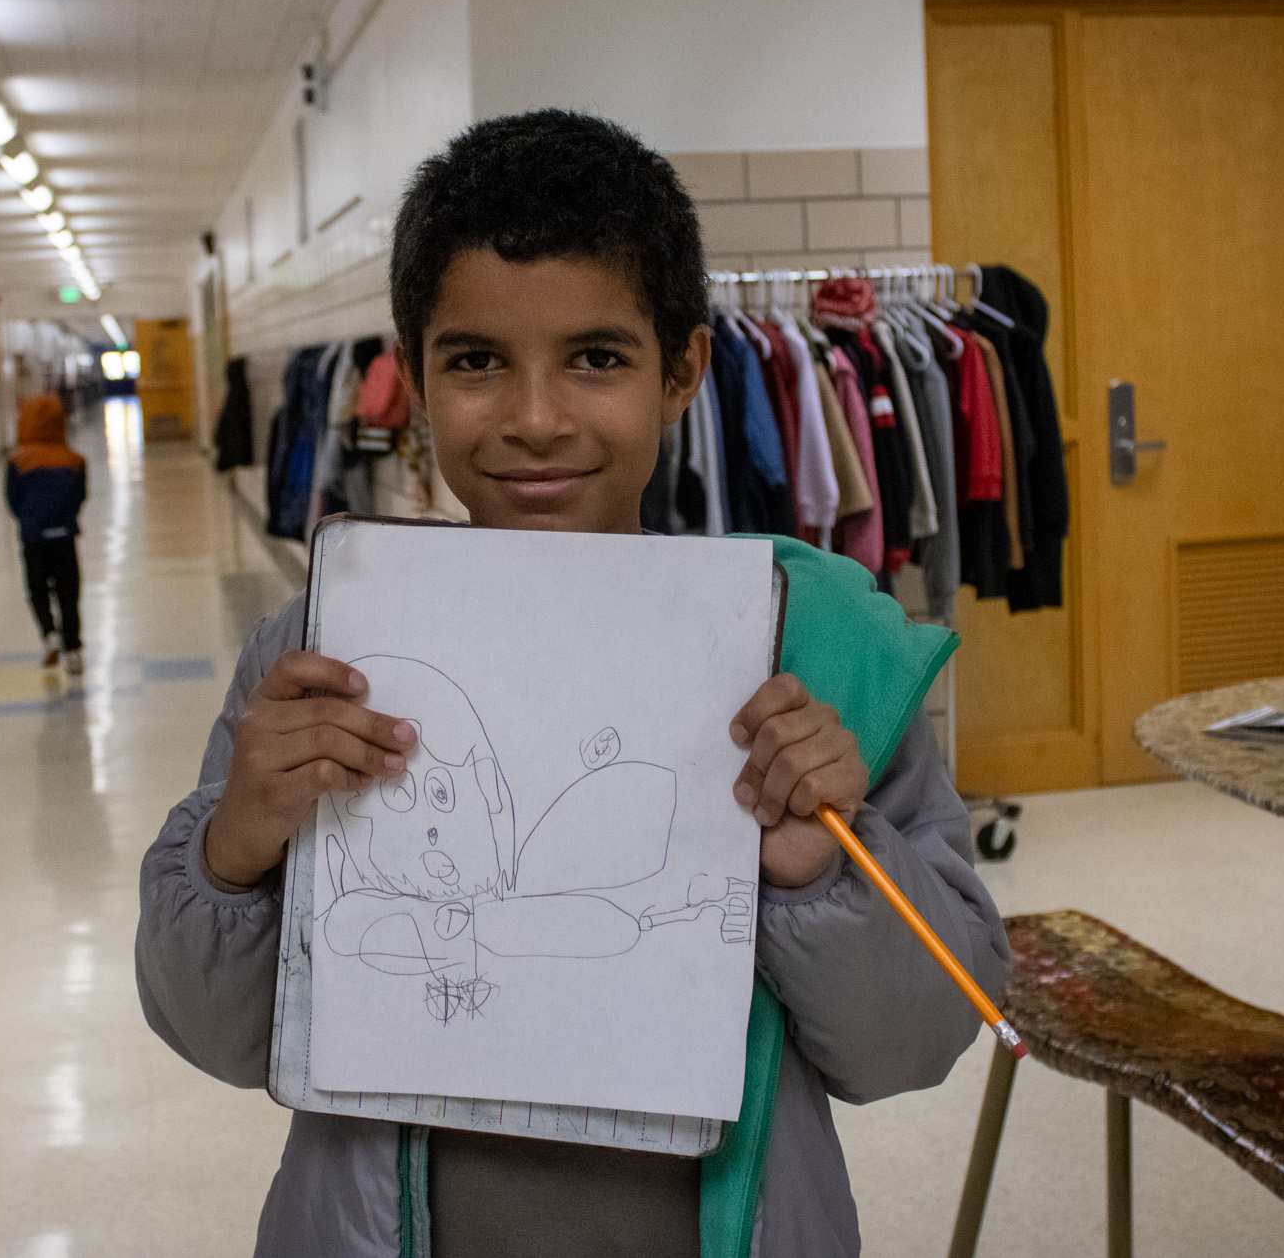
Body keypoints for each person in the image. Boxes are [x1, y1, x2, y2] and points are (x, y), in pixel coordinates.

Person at [134, 110, 1011, 1257]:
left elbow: (916, 1041)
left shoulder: (812, 663)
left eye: (595, 358)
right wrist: (232, 850)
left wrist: (819, 869)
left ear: (682, 371)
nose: (534, 420)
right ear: (415, 376)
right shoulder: (323, 659)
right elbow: (218, 1037)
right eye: (476, 362)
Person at [5, 393, 87, 674]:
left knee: (37, 589)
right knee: (68, 592)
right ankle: (73, 649)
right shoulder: (74, 460)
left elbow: (13, 500)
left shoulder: (18, 461)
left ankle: (49, 635)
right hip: (65, 536)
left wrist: (30, 520)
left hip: (32, 537)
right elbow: (79, 496)